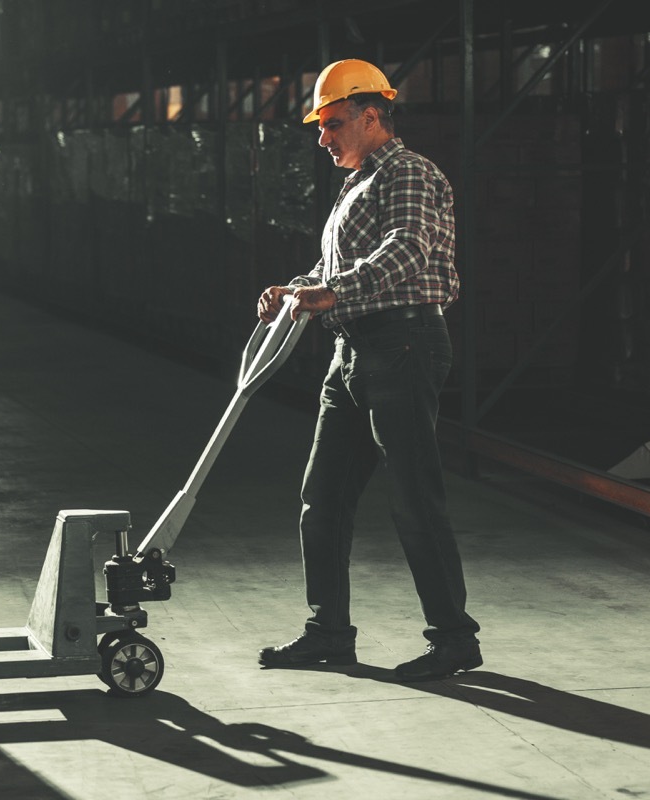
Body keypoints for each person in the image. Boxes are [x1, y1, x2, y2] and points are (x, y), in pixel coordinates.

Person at [256, 59, 480, 682]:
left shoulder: (408, 173)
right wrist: (296, 288)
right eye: (321, 127)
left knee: (413, 498)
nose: (323, 137)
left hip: (403, 344)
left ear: (370, 115)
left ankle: (455, 639)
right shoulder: (355, 185)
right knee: (321, 499)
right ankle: (328, 632)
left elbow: (408, 249)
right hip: (353, 349)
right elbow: (338, 273)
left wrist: (331, 294)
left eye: (331, 124)